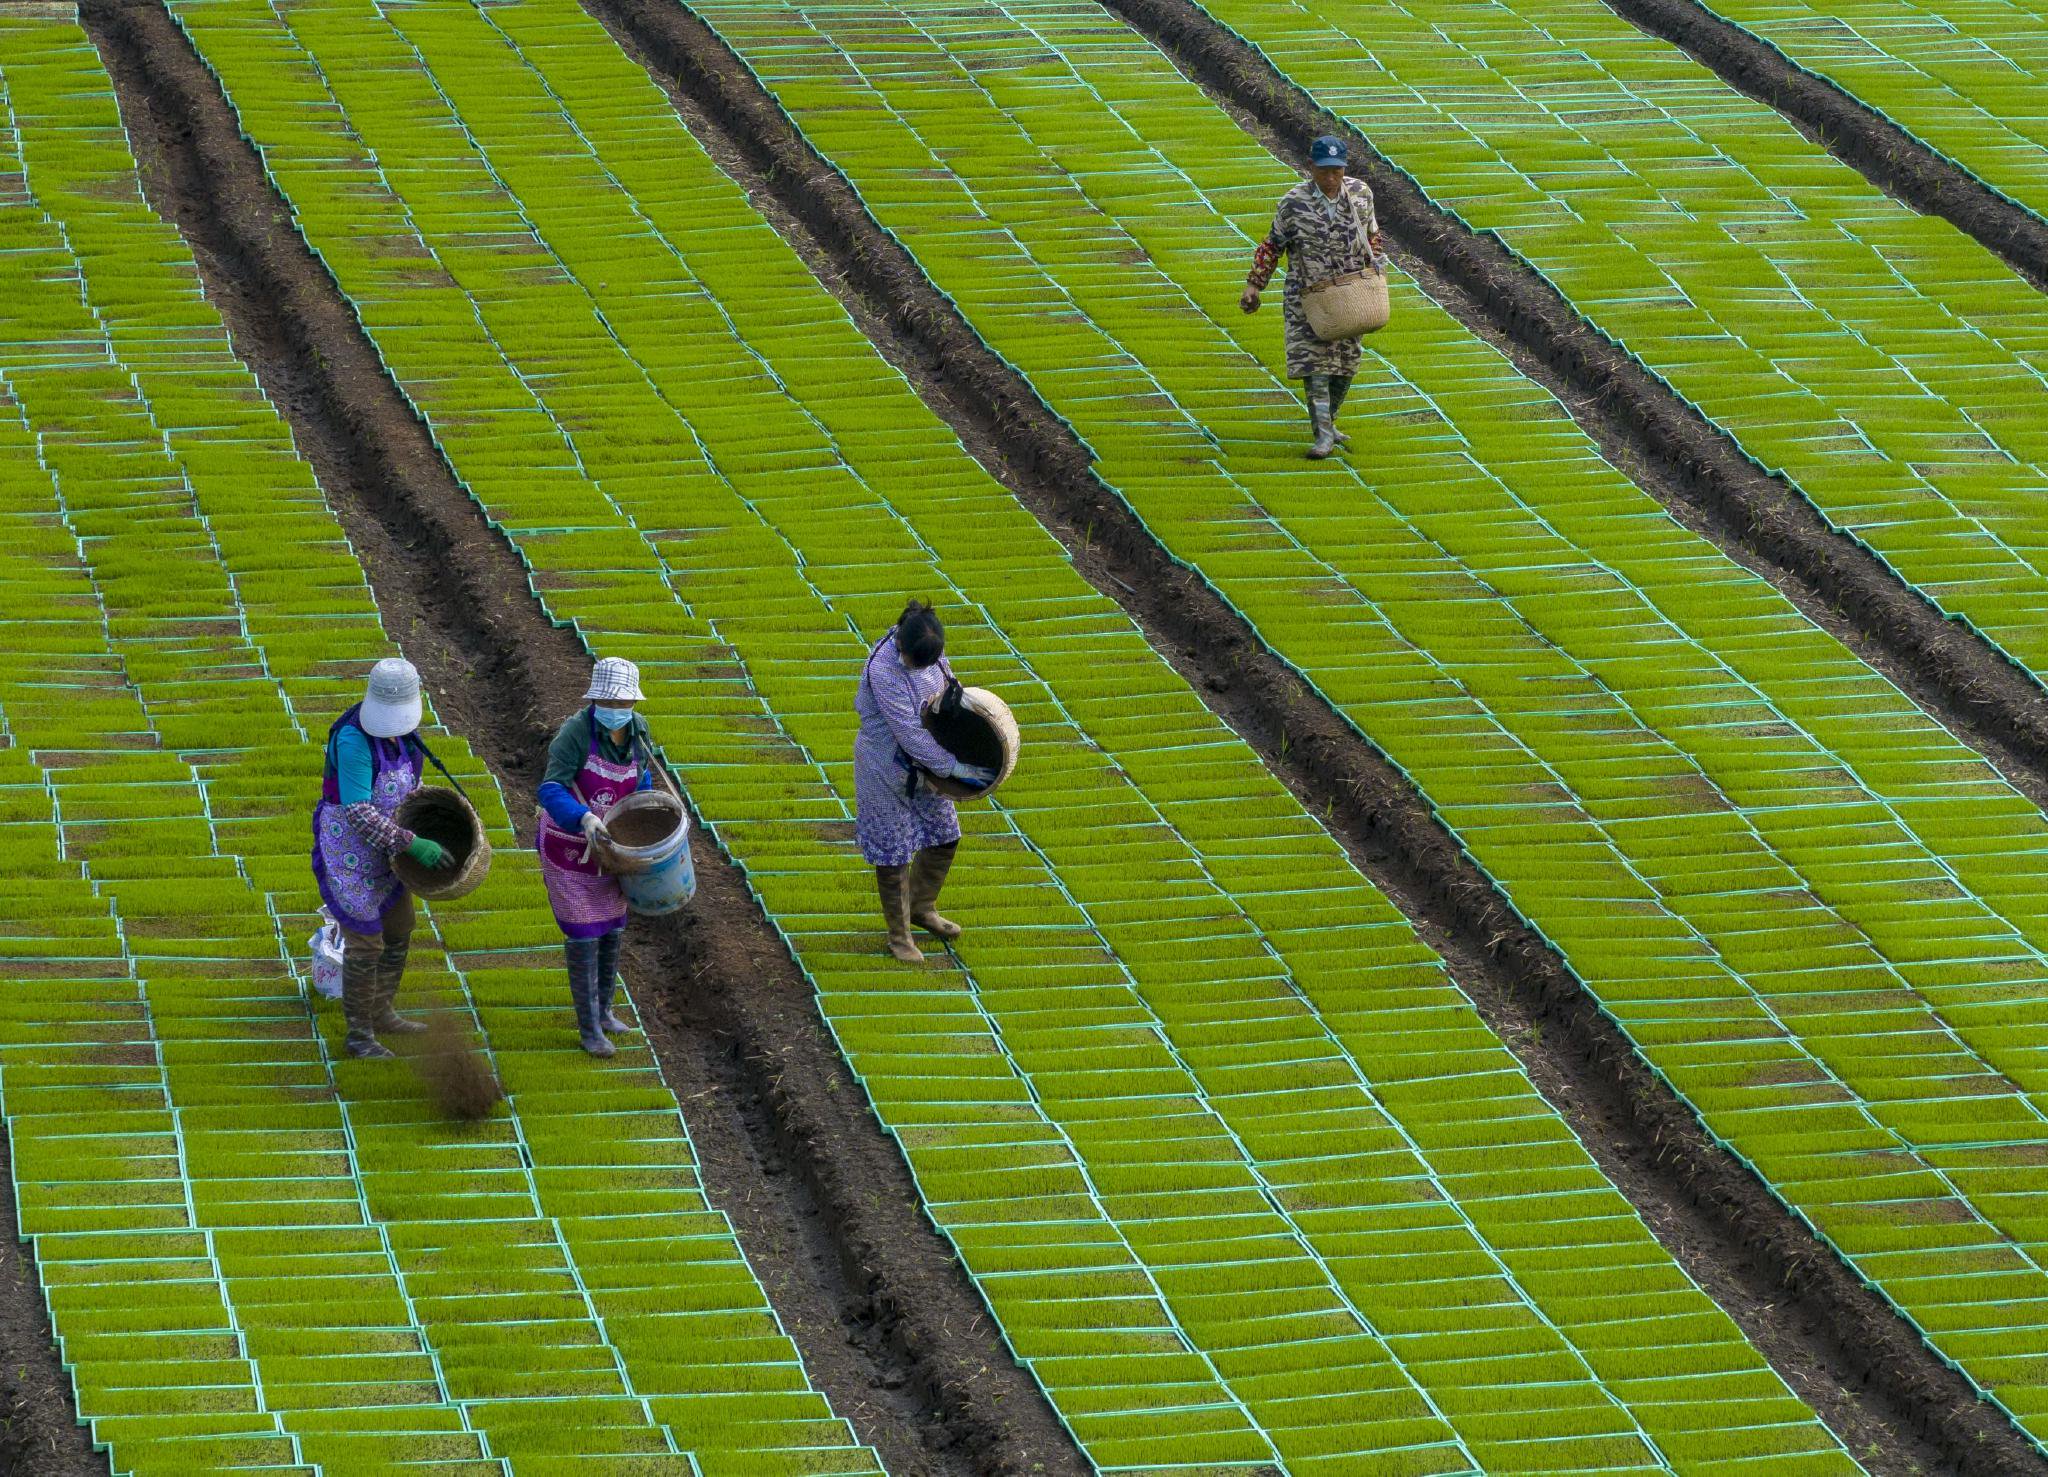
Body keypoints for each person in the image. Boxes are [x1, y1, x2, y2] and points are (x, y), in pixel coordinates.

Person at [311, 657, 450, 1059]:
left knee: (400, 926)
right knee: (366, 941)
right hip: (350, 851)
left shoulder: (405, 735)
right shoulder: (353, 739)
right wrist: (411, 843)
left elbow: (411, 785)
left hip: (388, 848)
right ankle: (359, 1036)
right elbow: (357, 811)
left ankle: (382, 1009)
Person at [855, 601, 997, 964]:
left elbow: (948, 685)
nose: (913, 667)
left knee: (946, 836)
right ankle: (899, 936)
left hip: (927, 765)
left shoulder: (930, 648)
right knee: (894, 852)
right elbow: (908, 734)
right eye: (910, 660)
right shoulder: (884, 671)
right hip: (885, 768)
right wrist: (953, 767)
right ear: (900, 642)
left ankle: (921, 907)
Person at [537, 657, 659, 1057]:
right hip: (569, 847)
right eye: (611, 702)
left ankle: (604, 1011)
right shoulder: (574, 735)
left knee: (612, 927)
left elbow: (643, 780)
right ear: (595, 699)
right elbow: (550, 787)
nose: (617, 711)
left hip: (612, 848)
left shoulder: (638, 732)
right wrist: (583, 816)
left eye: (625, 704)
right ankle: (589, 1029)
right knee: (584, 932)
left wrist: (648, 809)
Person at [1240, 134, 1384, 460]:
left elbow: (1373, 237)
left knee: (1345, 365)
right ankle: (1322, 435)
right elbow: (1272, 245)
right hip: (1307, 297)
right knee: (1315, 365)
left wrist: (1375, 272)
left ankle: (1329, 422)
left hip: (1350, 294)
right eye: (1324, 171)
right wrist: (1254, 285)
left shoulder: (1361, 194)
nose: (1331, 177)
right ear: (1311, 168)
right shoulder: (1294, 203)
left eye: (1336, 170)